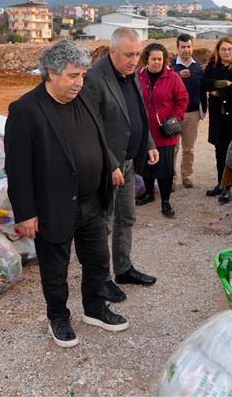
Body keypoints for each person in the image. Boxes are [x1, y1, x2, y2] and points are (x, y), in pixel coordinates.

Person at [4, 40, 129, 349]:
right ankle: (58, 318)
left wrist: (111, 165)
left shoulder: (83, 97)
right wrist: (26, 213)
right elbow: (17, 168)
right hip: (51, 207)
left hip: (91, 201)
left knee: (98, 260)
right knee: (55, 271)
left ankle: (95, 308)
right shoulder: (25, 110)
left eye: (83, 75)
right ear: (51, 73)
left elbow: (98, 138)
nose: (80, 82)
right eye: (73, 75)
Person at [84, 27, 159, 300]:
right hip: (107, 167)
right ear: (112, 51)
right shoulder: (95, 79)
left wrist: (148, 144)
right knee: (103, 223)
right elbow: (93, 128)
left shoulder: (132, 75)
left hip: (128, 163)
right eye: (129, 54)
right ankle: (101, 280)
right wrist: (111, 163)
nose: (134, 60)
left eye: (138, 54)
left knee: (127, 217)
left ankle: (123, 268)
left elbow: (138, 113)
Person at [136, 43, 189, 217]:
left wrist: (175, 117)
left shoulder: (172, 77)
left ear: (164, 59)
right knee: (146, 166)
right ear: (146, 59)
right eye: (153, 59)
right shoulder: (138, 77)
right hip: (145, 132)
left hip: (165, 132)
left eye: (160, 59)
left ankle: (165, 202)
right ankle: (149, 193)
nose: (157, 62)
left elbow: (183, 99)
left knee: (165, 169)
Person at [201, 36, 232, 204]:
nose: (226, 52)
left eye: (229, 49)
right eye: (223, 49)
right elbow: (204, 84)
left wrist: (217, 92)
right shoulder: (213, 66)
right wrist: (223, 83)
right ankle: (221, 183)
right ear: (218, 51)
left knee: (231, 150)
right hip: (217, 116)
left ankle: (229, 186)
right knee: (219, 150)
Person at [171, 34, 206, 189]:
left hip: (192, 114)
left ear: (192, 47)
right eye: (183, 46)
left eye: (188, 46)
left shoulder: (198, 67)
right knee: (172, 148)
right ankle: (170, 179)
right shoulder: (170, 67)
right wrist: (177, 76)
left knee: (188, 149)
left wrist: (203, 110)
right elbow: (163, 84)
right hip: (173, 114)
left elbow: (203, 89)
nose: (186, 50)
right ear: (177, 48)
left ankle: (187, 176)